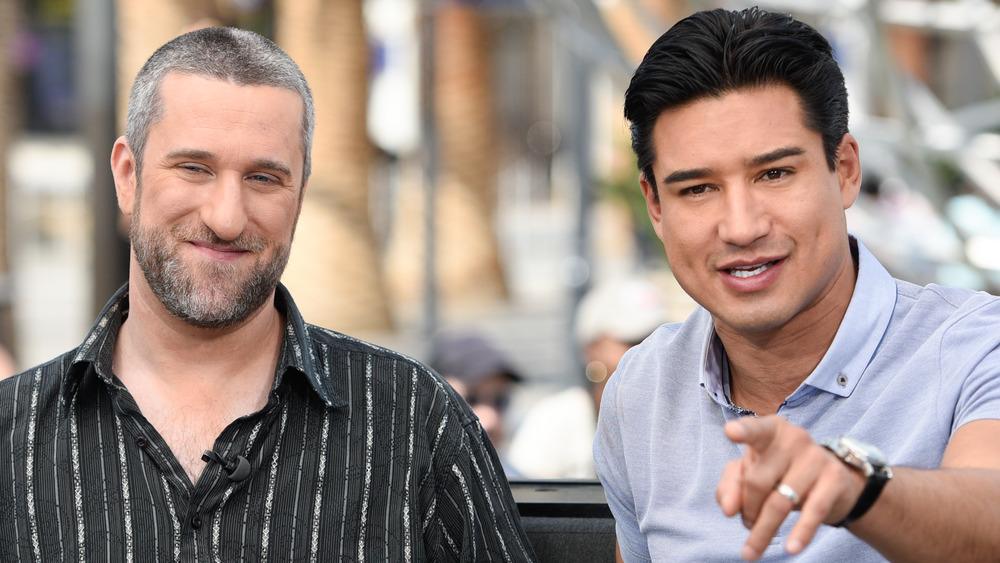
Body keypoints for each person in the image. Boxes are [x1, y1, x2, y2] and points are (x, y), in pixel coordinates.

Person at [0, 27, 535, 561]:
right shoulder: (12, 435)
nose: (226, 218)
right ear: (127, 176)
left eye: (263, 178)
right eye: (193, 168)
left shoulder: (414, 420)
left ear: (301, 195)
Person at [593, 7, 1000, 562]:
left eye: (775, 174)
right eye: (698, 190)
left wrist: (854, 488)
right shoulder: (640, 388)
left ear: (846, 170)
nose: (742, 227)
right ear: (655, 206)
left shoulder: (977, 345)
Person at [507, 277, 668, 479]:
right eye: (632, 341)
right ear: (592, 349)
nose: (650, 351)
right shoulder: (555, 419)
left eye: (660, 339)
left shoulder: (680, 416)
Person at [429, 332, 523, 474]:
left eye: (499, 400)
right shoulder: (399, 481)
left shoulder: (513, 478)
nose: (491, 419)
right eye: (470, 399)